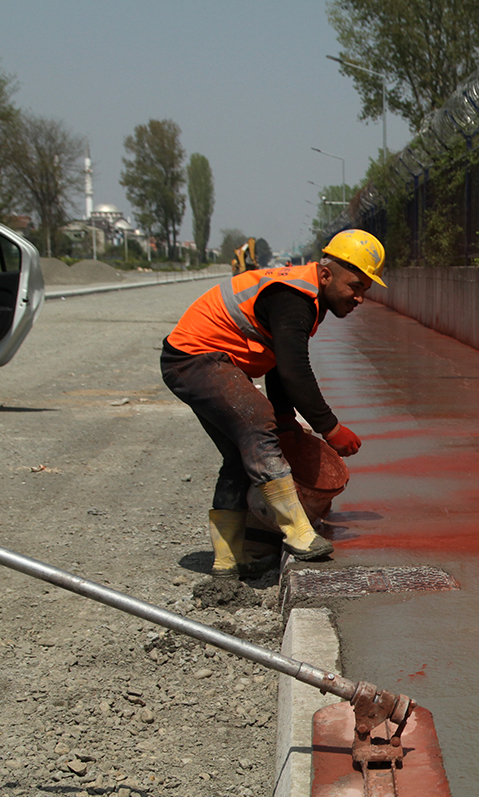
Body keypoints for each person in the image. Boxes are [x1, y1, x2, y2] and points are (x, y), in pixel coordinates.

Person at [160, 229, 385, 578]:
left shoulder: (307, 298)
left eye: (365, 290)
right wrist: (330, 427)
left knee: (239, 454)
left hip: (201, 361)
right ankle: (297, 531)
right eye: (355, 286)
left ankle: (227, 561)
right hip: (195, 360)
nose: (359, 298)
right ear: (326, 274)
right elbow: (295, 370)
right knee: (257, 420)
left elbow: (279, 367)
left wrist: (287, 420)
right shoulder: (294, 296)